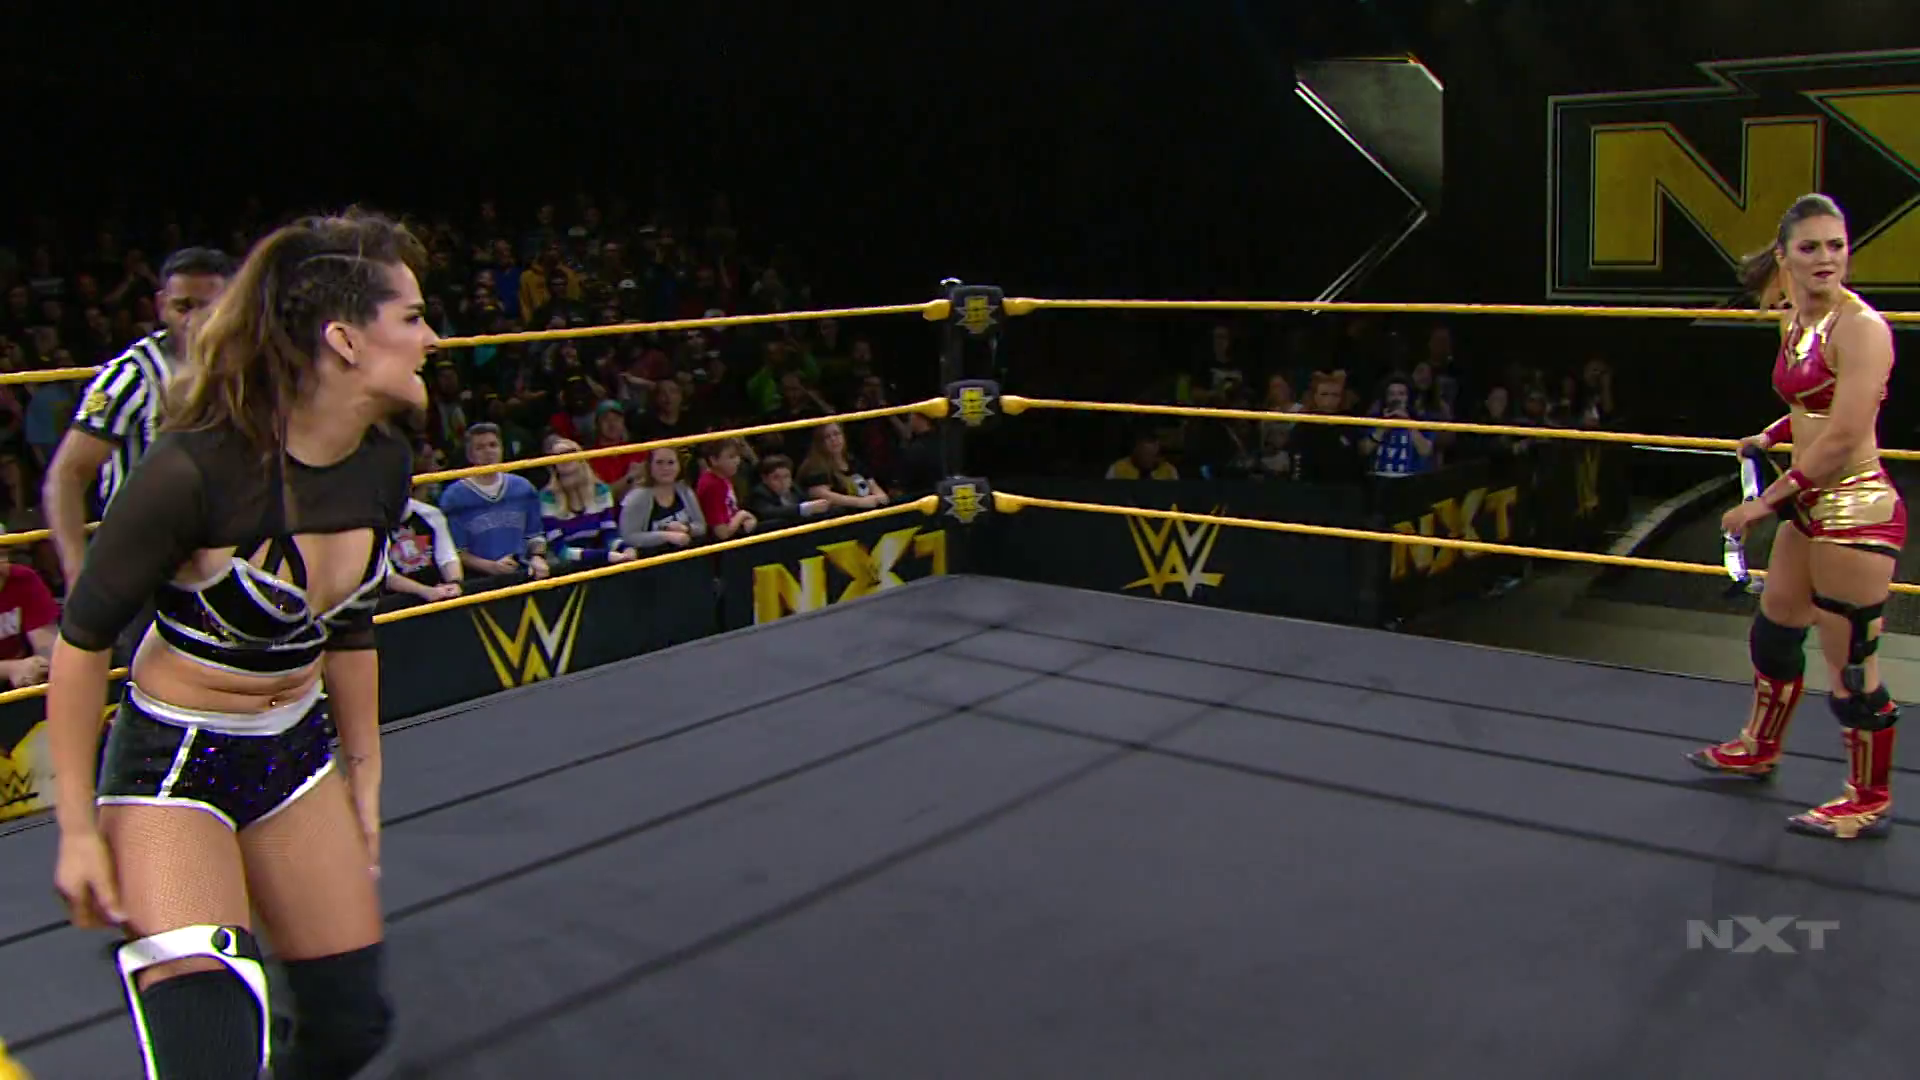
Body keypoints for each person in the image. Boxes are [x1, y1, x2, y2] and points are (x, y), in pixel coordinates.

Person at [45, 209, 433, 1078]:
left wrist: (364, 776)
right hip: (173, 766)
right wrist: (75, 829)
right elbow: (81, 640)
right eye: (411, 317)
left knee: (349, 1028)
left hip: (294, 754)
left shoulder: (383, 462)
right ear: (344, 339)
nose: (431, 339)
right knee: (210, 1055)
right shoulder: (193, 469)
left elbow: (350, 625)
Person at [1691, 193, 1903, 841]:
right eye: (1810, 247)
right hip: (1811, 505)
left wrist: (1765, 501)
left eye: (1836, 246)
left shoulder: (1862, 329)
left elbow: (1843, 435)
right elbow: (1812, 408)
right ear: (1785, 257)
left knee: (1852, 671)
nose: (1826, 258)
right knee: (1775, 630)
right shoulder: (1798, 319)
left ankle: (1868, 797)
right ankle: (1760, 747)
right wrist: (1771, 433)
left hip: (1855, 511)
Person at [44, 247, 233, 658]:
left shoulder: (248, 371)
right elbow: (67, 474)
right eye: (183, 306)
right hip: (144, 565)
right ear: (162, 305)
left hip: (226, 556)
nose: (195, 320)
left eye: (209, 307)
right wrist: (78, 574)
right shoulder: (130, 377)